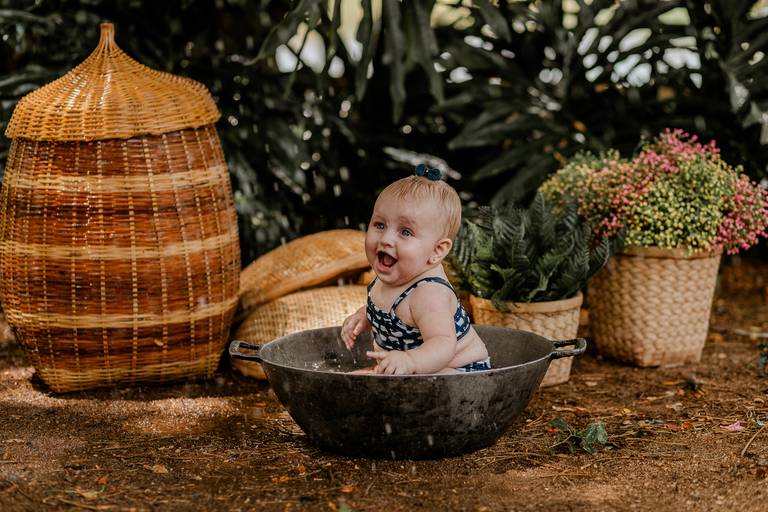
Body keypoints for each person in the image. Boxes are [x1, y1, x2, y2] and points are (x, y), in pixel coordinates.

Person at [340, 164, 491, 375]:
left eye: (405, 232)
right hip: (411, 370)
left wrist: (410, 361)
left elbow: (443, 344)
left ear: (437, 250)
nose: (386, 239)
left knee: (374, 383)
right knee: (352, 380)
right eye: (380, 225)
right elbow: (387, 309)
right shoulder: (393, 273)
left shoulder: (429, 293)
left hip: (459, 372)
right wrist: (364, 315)